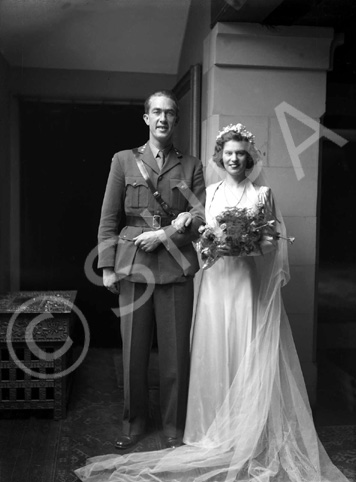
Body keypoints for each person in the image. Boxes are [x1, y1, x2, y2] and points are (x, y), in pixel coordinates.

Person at [75, 124, 350, 482]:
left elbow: (270, 244)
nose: (234, 159)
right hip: (215, 284)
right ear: (220, 157)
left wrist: (245, 244)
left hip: (243, 284)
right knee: (212, 350)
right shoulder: (210, 193)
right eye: (228, 153)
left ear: (249, 158)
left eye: (240, 153)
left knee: (242, 348)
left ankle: (245, 427)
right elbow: (199, 235)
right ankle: (208, 429)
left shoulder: (263, 194)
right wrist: (210, 242)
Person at [95, 90, 205, 450]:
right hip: (133, 270)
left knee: (175, 356)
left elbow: (202, 217)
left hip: (175, 270)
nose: (162, 118)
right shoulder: (124, 160)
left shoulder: (191, 165)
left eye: (169, 113)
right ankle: (134, 423)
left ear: (176, 120)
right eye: (156, 112)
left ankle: (175, 427)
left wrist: (167, 233)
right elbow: (109, 217)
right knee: (134, 355)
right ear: (146, 118)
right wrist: (108, 266)